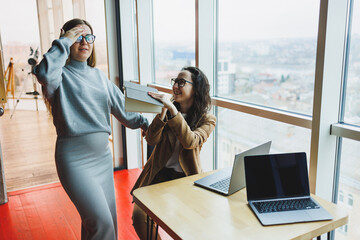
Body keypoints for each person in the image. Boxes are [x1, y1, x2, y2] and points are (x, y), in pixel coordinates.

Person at [33, 18, 149, 240]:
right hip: (74, 160)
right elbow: (43, 74)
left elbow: (123, 109)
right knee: (100, 223)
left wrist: (145, 123)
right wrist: (64, 40)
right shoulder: (58, 76)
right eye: (78, 37)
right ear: (67, 40)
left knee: (104, 224)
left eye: (89, 37)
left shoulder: (99, 77)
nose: (84, 42)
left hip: (102, 158)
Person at [131, 66, 216, 240]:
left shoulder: (207, 119)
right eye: (175, 81)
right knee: (140, 217)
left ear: (196, 89)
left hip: (184, 179)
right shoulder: (168, 111)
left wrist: (172, 110)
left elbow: (190, 141)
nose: (176, 86)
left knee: (184, 225)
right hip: (158, 174)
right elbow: (151, 140)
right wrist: (163, 111)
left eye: (182, 82)